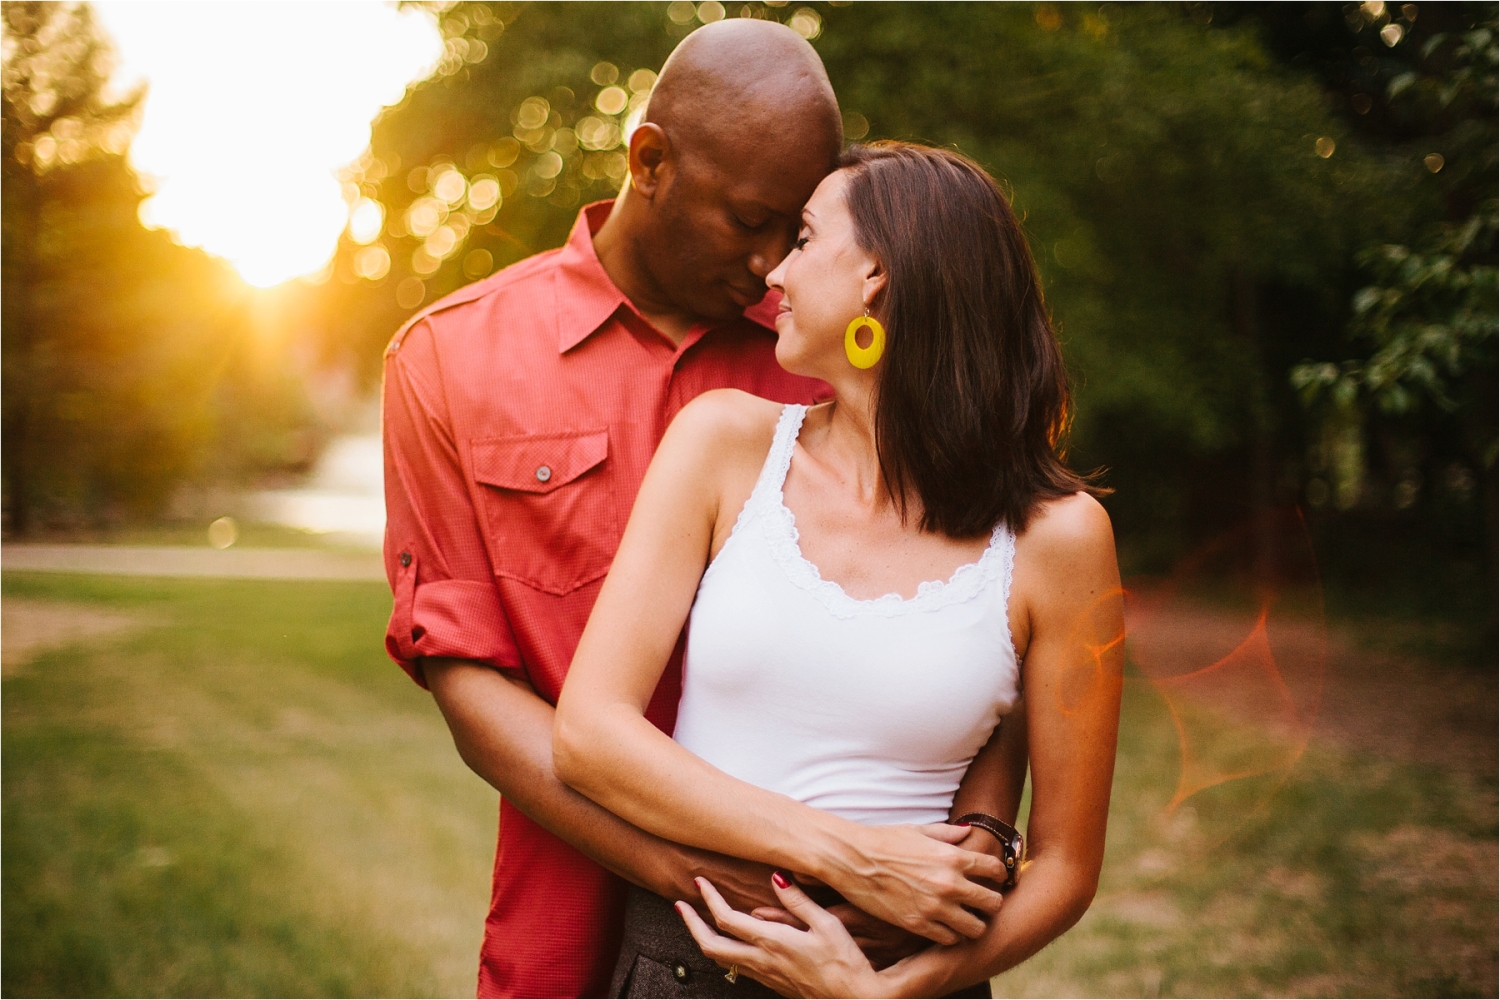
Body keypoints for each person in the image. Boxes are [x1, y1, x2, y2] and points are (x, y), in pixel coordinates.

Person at [381, 21, 1028, 998]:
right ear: (650, 161)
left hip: (857, 933)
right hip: (579, 905)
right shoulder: (448, 361)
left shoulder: (837, 345)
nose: (771, 262)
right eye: (749, 219)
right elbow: (471, 693)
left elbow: (992, 597)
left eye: (796, 230)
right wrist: (698, 874)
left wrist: (976, 833)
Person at [554, 141, 1125, 998]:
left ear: (876, 279)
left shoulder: (1062, 539)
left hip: (907, 980)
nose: (774, 273)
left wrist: (883, 993)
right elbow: (590, 735)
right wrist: (848, 854)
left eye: (805, 240)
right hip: (686, 967)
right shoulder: (723, 444)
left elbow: (1067, 866)